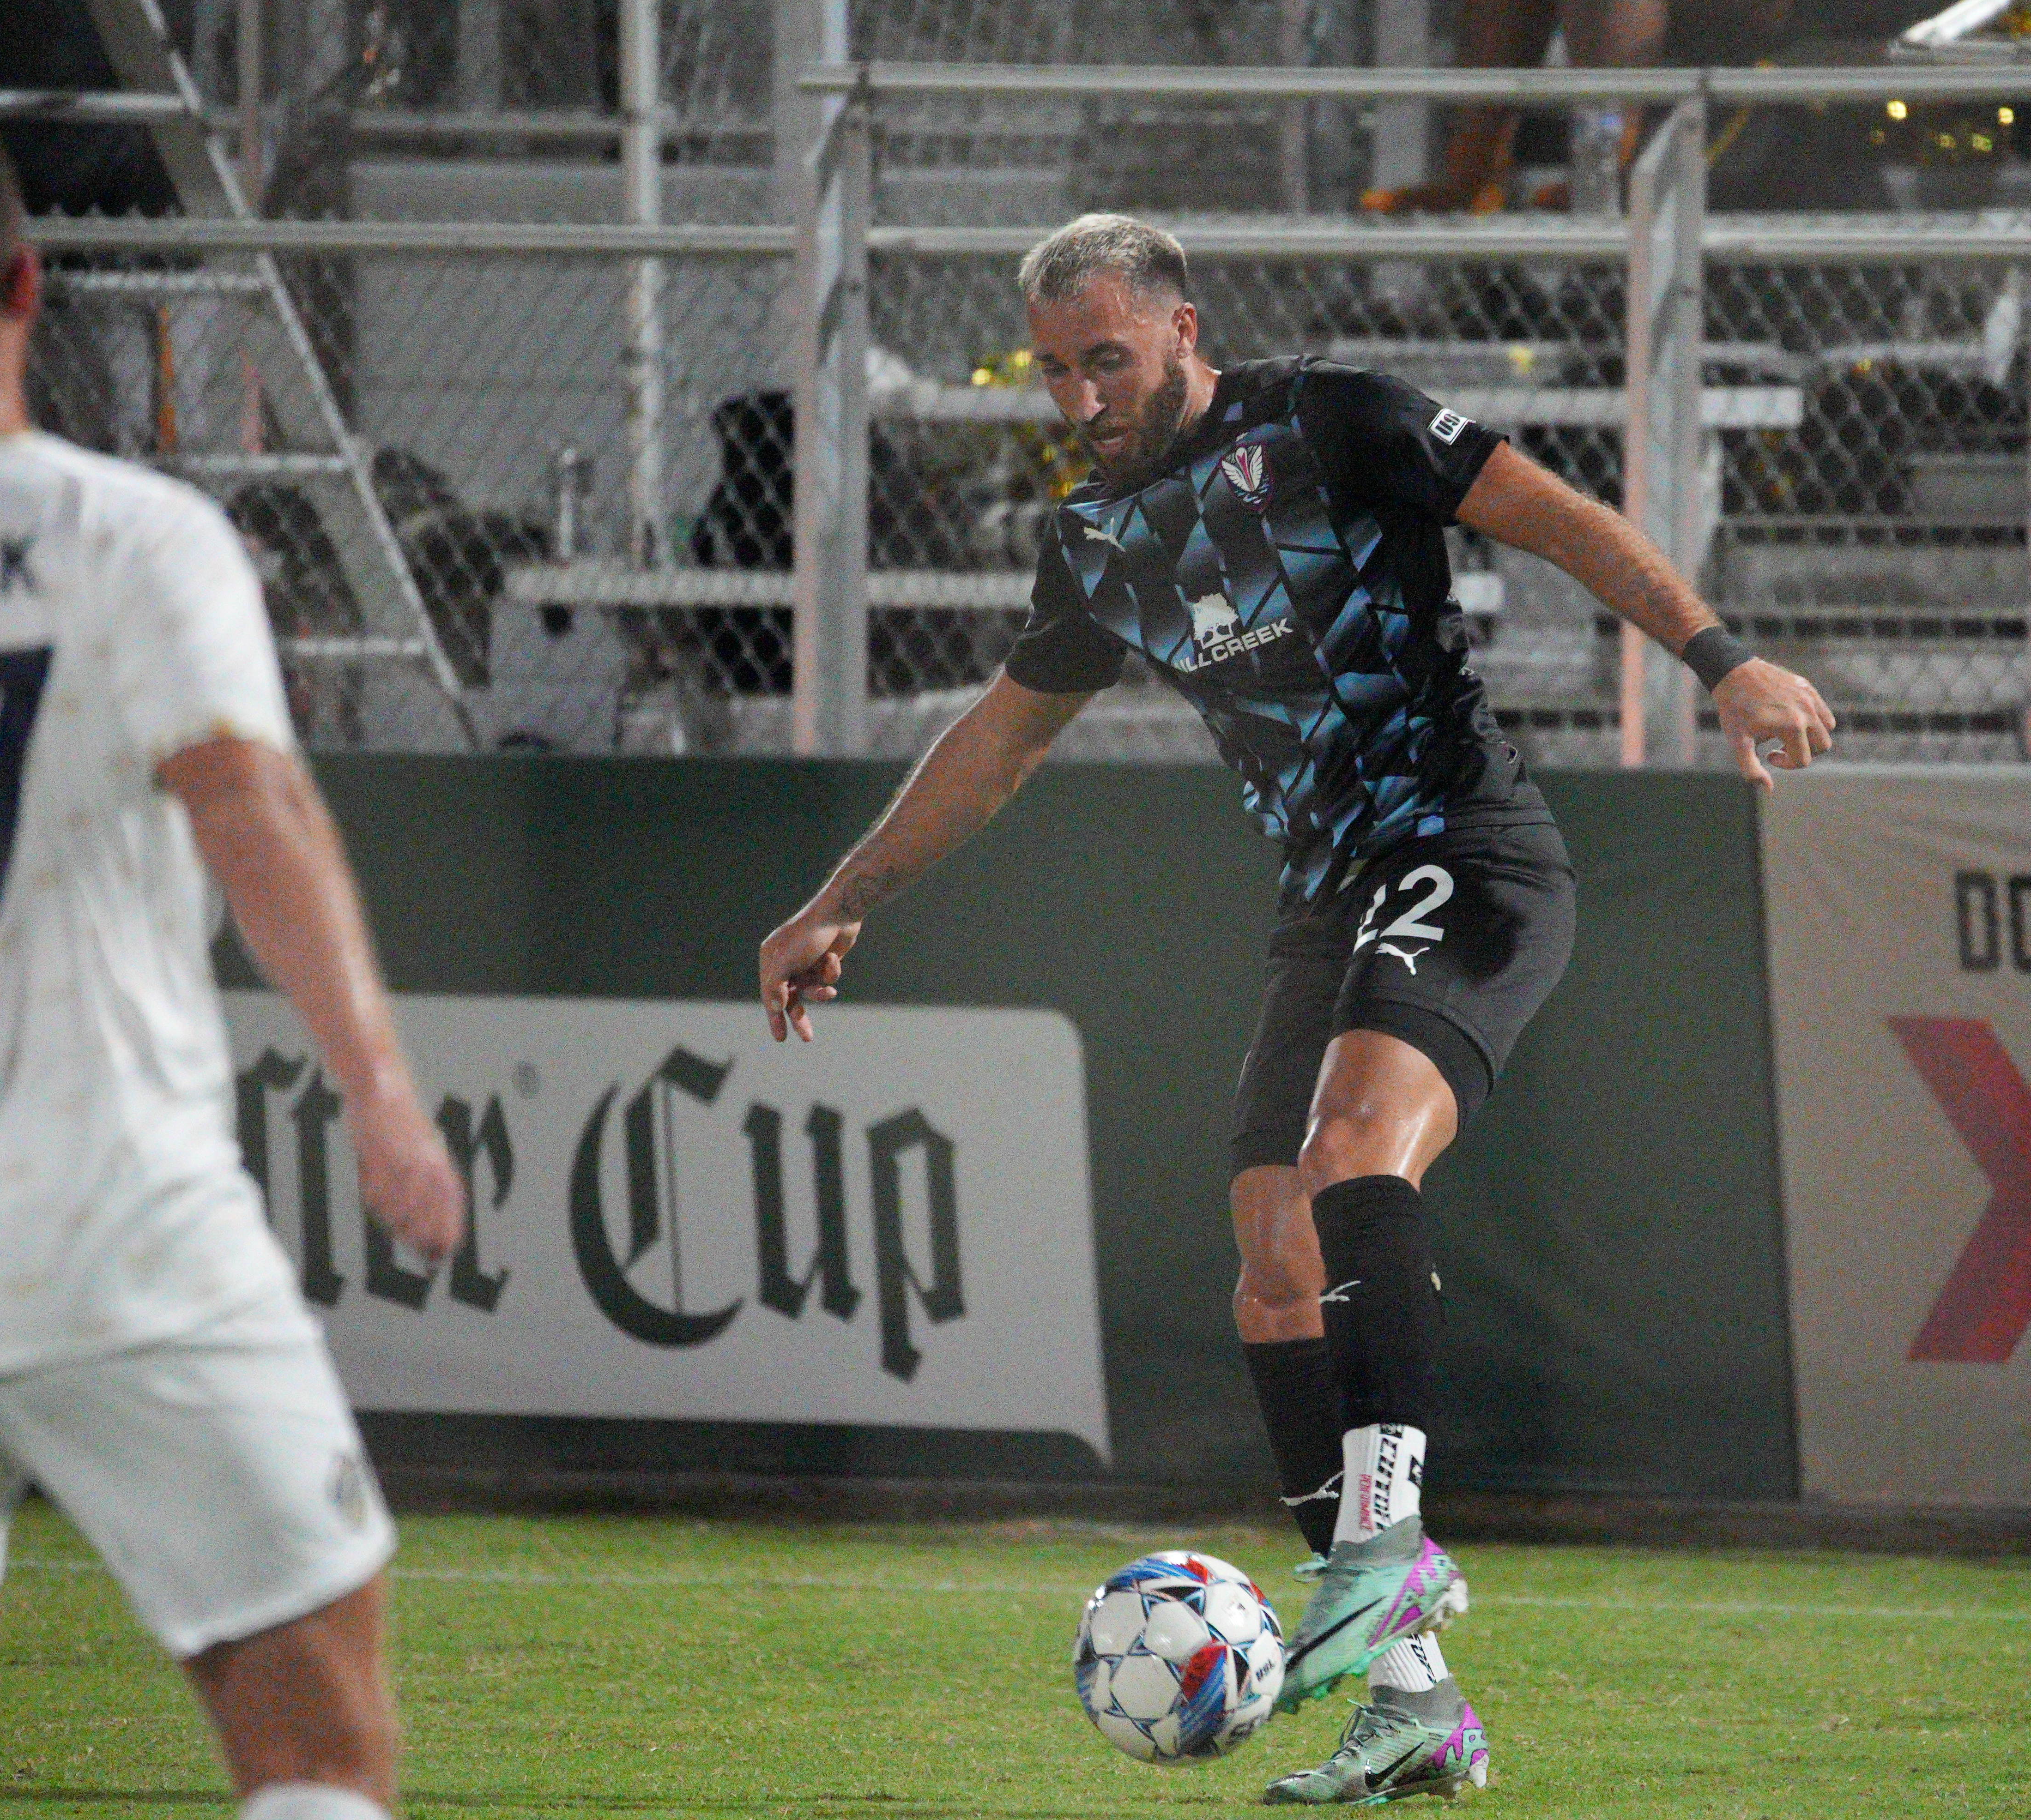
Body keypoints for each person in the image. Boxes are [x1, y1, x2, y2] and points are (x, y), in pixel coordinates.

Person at [757, 213, 1835, 1804]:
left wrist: (1722, 658)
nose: (1077, 395)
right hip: (1327, 899)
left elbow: (1558, 523)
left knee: (1349, 1153)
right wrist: (842, 893)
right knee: (1272, 1268)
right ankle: (1409, 1705)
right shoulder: (1100, 538)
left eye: (1104, 358)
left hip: (1466, 849)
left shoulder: (1333, 420)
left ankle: (1386, 1553)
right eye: (1052, 370)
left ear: (1183, 328)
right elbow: (996, 743)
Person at [0, 101, 462, 1819]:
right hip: (110, 1216)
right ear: (27, 280)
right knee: (317, 1740)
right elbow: (245, 796)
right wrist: (382, 1101)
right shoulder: (130, 536)